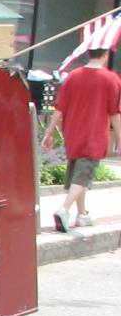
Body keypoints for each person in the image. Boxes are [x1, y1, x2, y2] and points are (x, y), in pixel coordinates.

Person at [42, 47, 121, 232]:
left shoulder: (72, 76)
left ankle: (82, 214)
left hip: (73, 132)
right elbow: (114, 113)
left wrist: (49, 132)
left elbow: (59, 108)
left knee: (79, 174)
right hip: (94, 134)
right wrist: (119, 136)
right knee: (84, 177)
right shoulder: (111, 79)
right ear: (105, 55)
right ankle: (64, 208)